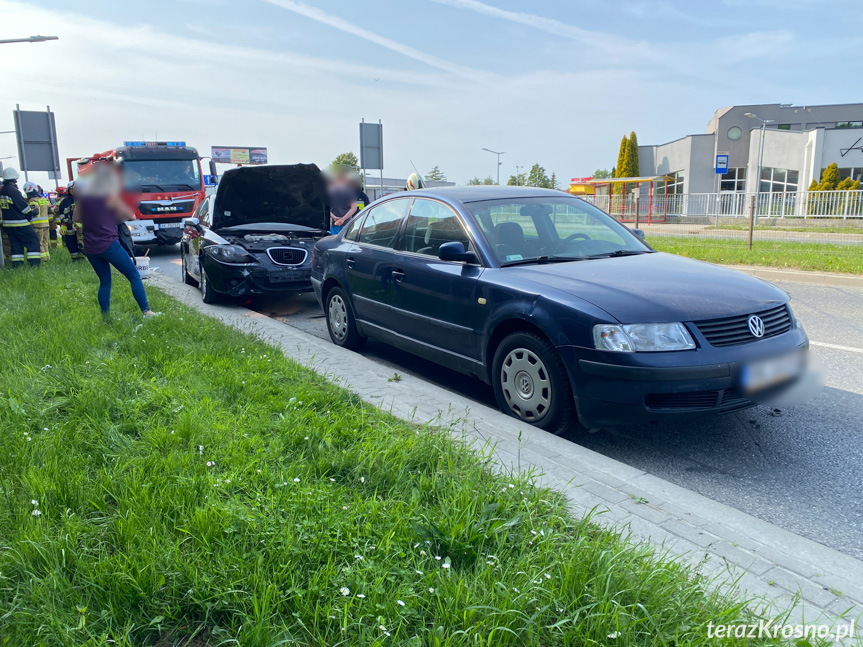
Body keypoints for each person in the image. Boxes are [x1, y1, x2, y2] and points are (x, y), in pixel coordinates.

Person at [76, 164, 158, 316]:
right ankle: (146, 311)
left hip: (91, 247)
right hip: (109, 244)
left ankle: (105, 316)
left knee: (105, 282)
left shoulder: (83, 199)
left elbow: (76, 218)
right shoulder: (109, 197)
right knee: (133, 275)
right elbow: (131, 216)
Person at [0, 168, 41, 267]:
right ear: (14, 179)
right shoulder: (13, 191)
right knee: (33, 241)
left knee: (16, 245)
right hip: (20, 223)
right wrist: (31, 213)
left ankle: (17, 265)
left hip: (8, 224)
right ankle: (34, 265)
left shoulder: (2, 191)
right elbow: (23, 207)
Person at [23, 182, 51, 261]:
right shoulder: (44, 199)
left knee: (39, 242)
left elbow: (34, 212)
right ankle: (47, 258)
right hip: (46, 224)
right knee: (45, 242)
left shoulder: (32, 200)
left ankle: (43, 259)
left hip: (37, 225)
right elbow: (49, 210)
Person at [326, 168, 358, 235]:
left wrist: (334, 217)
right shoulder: (350, 191)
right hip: (347, 223)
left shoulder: (329, 191)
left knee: (333, 242)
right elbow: (354, 208)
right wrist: (343, 219)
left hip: (333, 223)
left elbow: (325, 208)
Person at [57, 181, 84, 260]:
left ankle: (83, 258)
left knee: (82, 243)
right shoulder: (64, 202)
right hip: (68, 226)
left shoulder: (82, 199)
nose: (73, 191)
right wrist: (64, 222)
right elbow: (61, 213)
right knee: (70, 243)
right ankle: (75, 259)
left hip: (80, 227)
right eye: (71, 189)